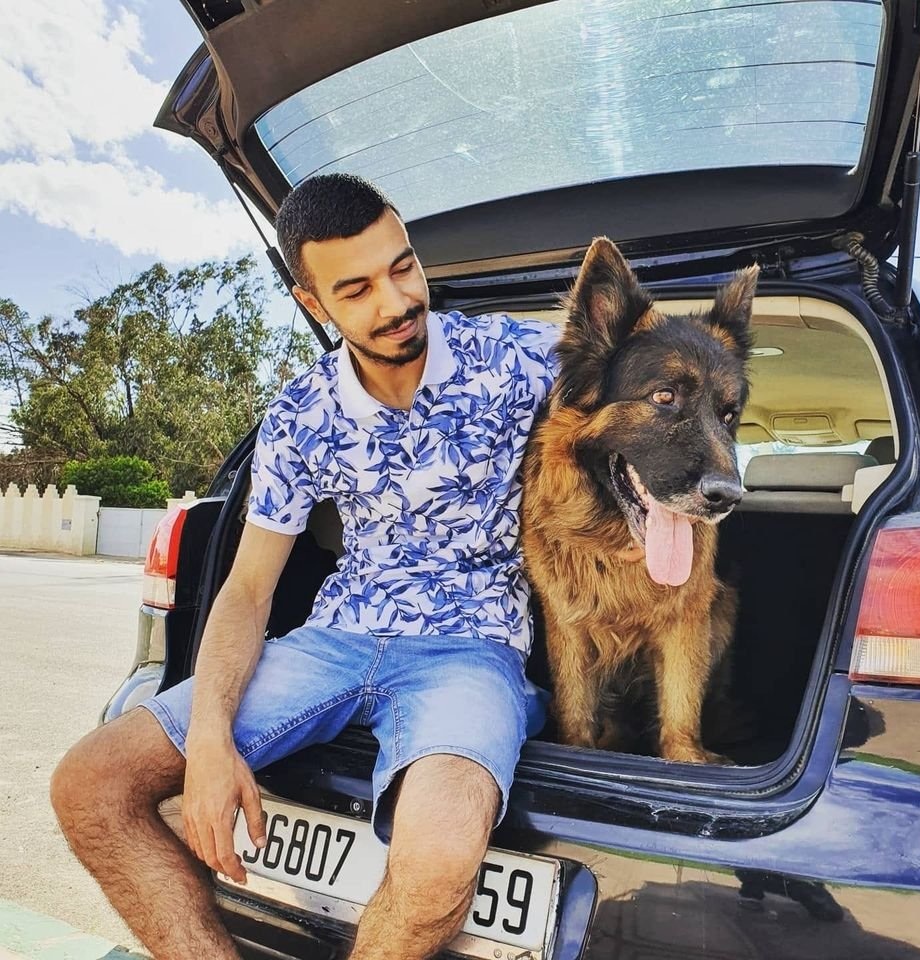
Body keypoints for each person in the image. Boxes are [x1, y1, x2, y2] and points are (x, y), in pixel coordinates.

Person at [49, 173, 560, 960]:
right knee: (89, 786)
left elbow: (643, 371)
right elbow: (249, 590)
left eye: (403, 267)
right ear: (312, 303)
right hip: (334, 642)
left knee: (437, 863)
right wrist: (210, 741)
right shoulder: (302, 412)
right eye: (356, 290)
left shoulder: (517, 359)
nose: (397, 301)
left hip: (471, 647)